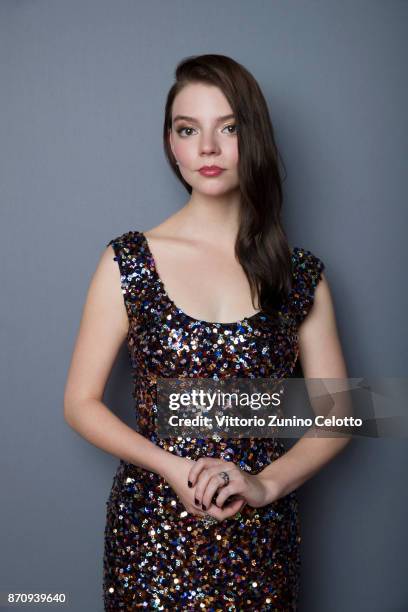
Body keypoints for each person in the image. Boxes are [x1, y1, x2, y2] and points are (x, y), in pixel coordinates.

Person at [63, 54, 350, 611]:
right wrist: (174, 470)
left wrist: (263, 485)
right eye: (188, 130)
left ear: (255, 136)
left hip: (260, 544)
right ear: (172, 143)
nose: (208, 149)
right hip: (152, 535)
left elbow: (340, 415)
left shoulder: (300, 272)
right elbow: (79, 403)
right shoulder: (130, 260)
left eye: (229, 128)